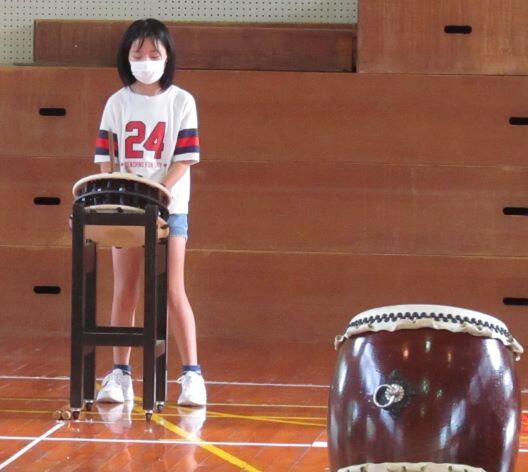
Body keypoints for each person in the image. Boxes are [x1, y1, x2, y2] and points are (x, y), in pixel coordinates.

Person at [93, 18, 206, 407]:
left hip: (169, 209)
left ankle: (192, 374)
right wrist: (116, 191)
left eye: (153, 54)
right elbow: (106, 158)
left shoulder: (181, 101)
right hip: (126, 209)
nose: (145, 61)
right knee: (124, 289)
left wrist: (158, 193)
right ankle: (120, 374)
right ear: (126, 57)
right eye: (137, 54)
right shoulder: (117, 102)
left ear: (167, 57)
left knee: (172, 289)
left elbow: (184, 159)